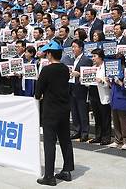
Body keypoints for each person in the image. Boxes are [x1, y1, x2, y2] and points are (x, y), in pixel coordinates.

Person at [35, 41, 74, 186]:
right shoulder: (64, 68)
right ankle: (67, 170)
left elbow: (38, 92)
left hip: (51, 110)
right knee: (65, 140)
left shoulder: (46, 70)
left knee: (49, 143)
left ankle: (49, 176)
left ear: (50, 54)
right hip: (64, 109)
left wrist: (39, 95)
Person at [68, 40, 91, 142]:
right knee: (74, 112)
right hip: (71, 88)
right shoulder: (71, 60)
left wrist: (80, 74)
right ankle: (77, 130)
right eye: (72, 47)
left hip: (81, 89)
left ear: (81, 48)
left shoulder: (86, 60)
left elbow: (89, 75)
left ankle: (84, 133)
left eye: (75, 47)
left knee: (82, 112)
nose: (73, 49)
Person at [90, 48, 112, 145]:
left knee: (105, 117)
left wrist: (102, 81)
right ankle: (98, 136)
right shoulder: (92, 67)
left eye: (95, 56)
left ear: (100, 57)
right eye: (92, 56)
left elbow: (109, 82)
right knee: (97, 117)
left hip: (103, 93)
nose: (93, 58)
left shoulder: (106, 67)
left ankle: (106, 137)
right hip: (93, 93)